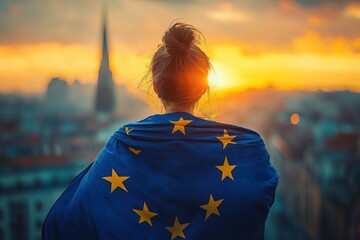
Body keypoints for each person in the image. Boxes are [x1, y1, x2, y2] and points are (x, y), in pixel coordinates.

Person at [43, 22, 279, 240]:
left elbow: (68, 217)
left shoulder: (122, 142)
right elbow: (257, 199)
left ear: (155, 86)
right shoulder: (249, 148)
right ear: (204, 87)